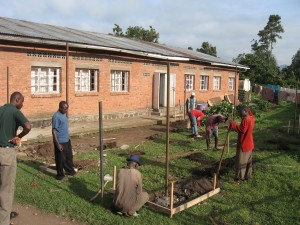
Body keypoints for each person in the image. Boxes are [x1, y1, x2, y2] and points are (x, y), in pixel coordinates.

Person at [0, 92, 31, 225]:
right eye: (22, 102)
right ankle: (3, 221)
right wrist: (19, 136)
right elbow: (28, 126)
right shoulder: (14, 111)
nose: (22, 104)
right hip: (6, 153)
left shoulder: (1, 110)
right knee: (6, 190)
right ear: (17, 100)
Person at [52, 101, 76, 180]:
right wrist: (57, 144)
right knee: (60, 159)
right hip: (60, 141)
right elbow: (54, 131)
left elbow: (64, 127)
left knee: (69, 157)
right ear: (60, 107)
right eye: (65, 109)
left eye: (67, 109)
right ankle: (60, 175)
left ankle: (70, 171)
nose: (66, 110)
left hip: (66, 140)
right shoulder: (56, 116)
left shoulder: (64, 114)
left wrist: (68, 137)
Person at [230, 105, 255, 182]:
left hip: (244, 144)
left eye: (240, 112)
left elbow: (242, 130)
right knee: (248, 161)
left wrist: (233, 125)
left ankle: (238, 178)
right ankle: (247, 176)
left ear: (245, 111)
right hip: (249, 143)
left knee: (241, 162)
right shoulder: (251, 118)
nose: (239, 114)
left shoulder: (246, 120)